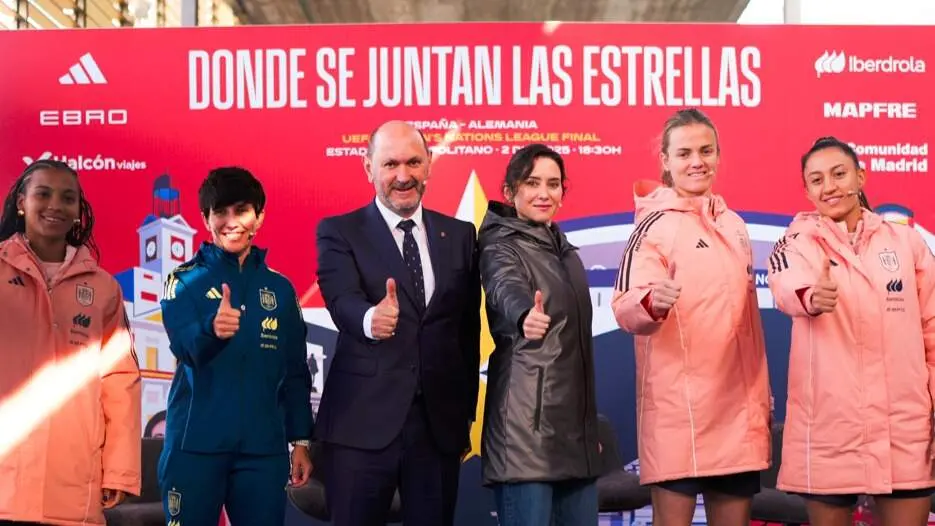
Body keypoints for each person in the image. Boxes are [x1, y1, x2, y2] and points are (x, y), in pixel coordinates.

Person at [314, 120, 481, 526]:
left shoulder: (459, 234)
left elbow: (467, 332)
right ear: (368, 167)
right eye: (390, 164)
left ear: (429, 166)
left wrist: (463, 420)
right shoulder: (339, 231)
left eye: (413, 163)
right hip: (362, 426)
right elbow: (340, 298)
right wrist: (371, 319)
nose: (403, 176)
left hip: (437, 429)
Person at [612, 108, 772, 526]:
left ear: (719, 156)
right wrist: (652, 302)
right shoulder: (652, 226)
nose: (696, 161)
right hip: (677, 414)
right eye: (684, 153)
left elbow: (748, 327)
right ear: (665, 161)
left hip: (736, 414)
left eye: (706, 150)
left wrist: (759, 397)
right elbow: (627, 306)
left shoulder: (734, 224)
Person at [767, 136, 935, 526]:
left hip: (903, 426)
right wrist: (811, 295)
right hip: (830, 429)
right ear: (807, 190)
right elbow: (784, 284)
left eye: (839, 174)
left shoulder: (907, 242)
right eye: (817, 179)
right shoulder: (795, 242)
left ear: (860, 177)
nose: (830, 186)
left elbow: (931, 324)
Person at [158, 167, 313, 526]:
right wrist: (211, 330)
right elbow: (184, 346)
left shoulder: (280, 288)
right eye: (220, 212)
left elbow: (294, 372)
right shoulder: (184, 281)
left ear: (259, 216)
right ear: (205, 219)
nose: (232, 222)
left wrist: (301, 440)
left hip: (262, 452)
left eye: (242, 210)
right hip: (194, 448)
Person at [0, 160, 141, 525]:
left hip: (74, 484)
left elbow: (120, 381)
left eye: (68, 198)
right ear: (21, 202)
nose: (55, 206)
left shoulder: (103, 288)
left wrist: (119, 470)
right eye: (43, 194)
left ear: (79, 212)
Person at [478, 144, 601, 525]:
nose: (544, 193)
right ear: (510, 190)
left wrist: (586, 429)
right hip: (524, 440)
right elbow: (504, 287)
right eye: (532, 183)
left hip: (574, 441)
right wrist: (522, 317)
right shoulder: (500, 244)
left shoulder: (567, 253)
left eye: (553, 184)